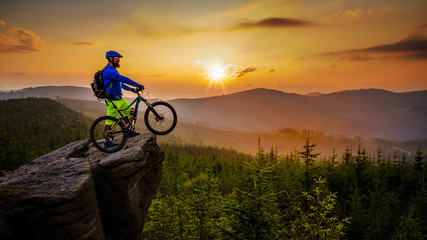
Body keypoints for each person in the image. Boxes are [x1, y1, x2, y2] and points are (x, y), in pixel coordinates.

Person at [103, 50, 144, 148]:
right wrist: (137, 84)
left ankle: (129, 132)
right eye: (117, 59)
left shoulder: (113, 70)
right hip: (112, 101)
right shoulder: (108, 71)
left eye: (119, 59)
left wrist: (131, 89)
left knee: (131, 112)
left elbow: (120, 83)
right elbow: (123, 79)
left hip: (119, 99)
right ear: (111, 59)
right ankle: (107, 141)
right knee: (110, 122)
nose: (119, 61)